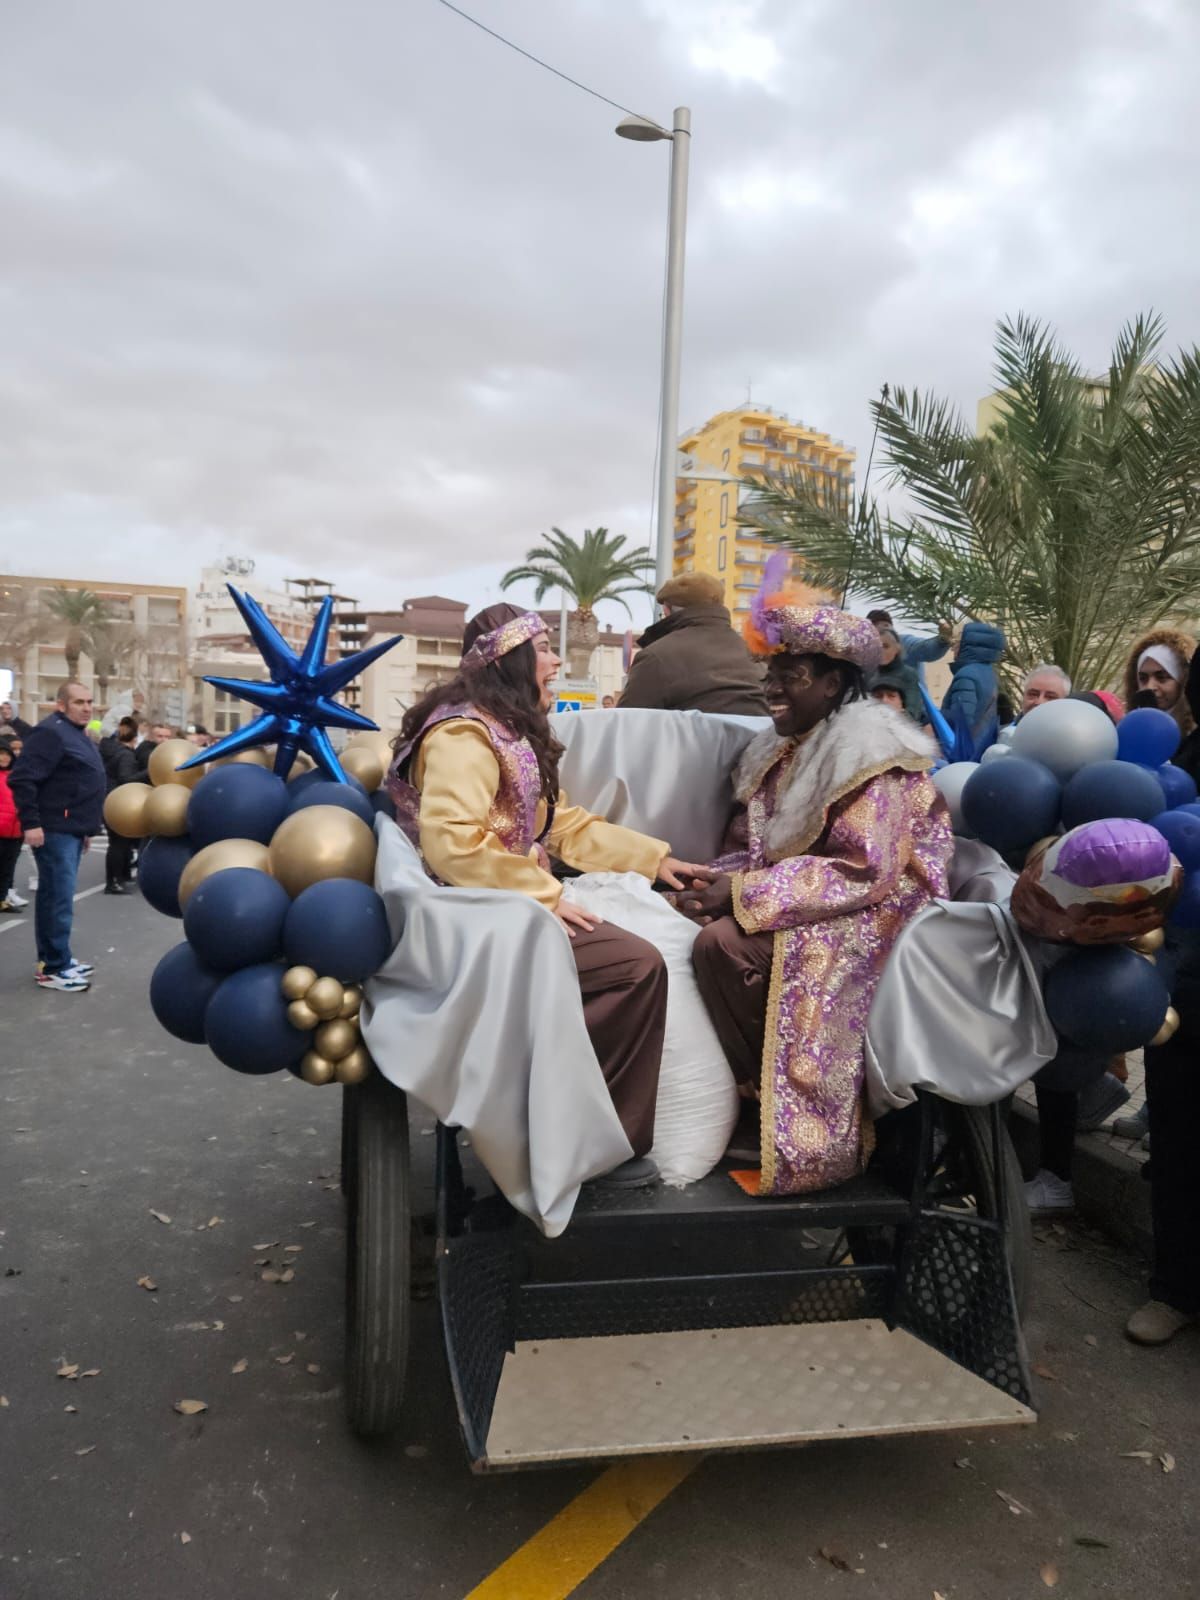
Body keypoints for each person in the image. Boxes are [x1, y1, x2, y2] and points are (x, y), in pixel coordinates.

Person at [387, 602, 707, 1184]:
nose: (555, 661)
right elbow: (452, 844)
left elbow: (560, 826)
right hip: (469, 921)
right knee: (634, 967)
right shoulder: (463, 735)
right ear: (508, 660)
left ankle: (562, 1117)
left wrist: (656, 860)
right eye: (541, 650)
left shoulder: (499, 729)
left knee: (651, 936)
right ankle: (592, 1146)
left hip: (500, 904)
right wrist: (544, 895)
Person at [681, 584, 954, 1196]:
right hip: (814, 895)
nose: (772, 688)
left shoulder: (869, 754)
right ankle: (750, 1092)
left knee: (722, 944)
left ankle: (802, 1122)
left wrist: (743, 894)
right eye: (771, 674)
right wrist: (704, 880)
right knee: (688, 922)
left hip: (880, 911)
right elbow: (758, 850)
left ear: (832, 684)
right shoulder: (780, 748)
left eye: (791, 676)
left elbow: (866, 870)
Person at [9, 681, 106, 992]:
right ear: (61, 705)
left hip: (71, 829)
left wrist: (85, 829)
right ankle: (53, 967)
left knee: (56, 898)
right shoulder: (51, 733)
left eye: (89, 701)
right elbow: (22, 778)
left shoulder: (76, 733)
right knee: (57, 899)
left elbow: (75, 782)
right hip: (54, 830)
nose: (87, 708)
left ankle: (57, 957)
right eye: (79, 702)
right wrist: (31, 823)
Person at [618, 572, 767, 717]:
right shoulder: (756, 655)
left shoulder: (655, 657)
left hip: (690, 735)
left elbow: (626, 723)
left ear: (667, 610)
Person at [1122, 627, 1196, 731]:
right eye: (1143, 678)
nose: (1150, 687)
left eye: (1161, 677)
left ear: (1183, 681)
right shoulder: (1129, 730)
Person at [941, 621, 1006, 739]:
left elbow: (961, 720)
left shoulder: (966, 675)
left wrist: (934, 716)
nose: (952, 649)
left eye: (956, 643)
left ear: (967, 646)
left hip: (964, 746)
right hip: (982, 743)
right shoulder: (990, 672)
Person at [101, 716, 142, 894]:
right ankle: (113, 882)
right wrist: (147, 772)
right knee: (119, 844)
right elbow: (125, 779)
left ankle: (120, 877)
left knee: (118, 843)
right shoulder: (126, 755)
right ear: (135, 738)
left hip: (109, 800)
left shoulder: (111, 751)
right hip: (119, 802)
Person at [871, 627, 922, 719]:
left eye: (886, 646)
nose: (881, 651)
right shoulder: (868, 675)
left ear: (897, 648)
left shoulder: (909, 674)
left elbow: (914, 711)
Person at [0, 738, 24, 913]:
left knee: (7, 869)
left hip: (16, 830)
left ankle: (2, 899)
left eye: (7, 754)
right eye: (1, 754)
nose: (4, 757)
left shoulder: (16, 775)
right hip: (1, 829)